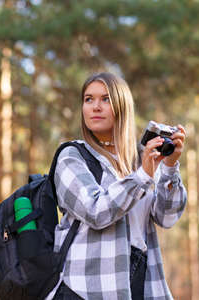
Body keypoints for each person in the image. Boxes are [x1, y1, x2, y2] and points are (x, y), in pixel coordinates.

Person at [47, 72, 187, 300]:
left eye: (106, 99)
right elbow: (96, 211)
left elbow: (167, 217)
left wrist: (170, 167)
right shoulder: (72, 156)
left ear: (122, 106)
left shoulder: (139, 160)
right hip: (85, 289)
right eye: (88, 99)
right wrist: (142, 176)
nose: (95, 107)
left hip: (139, 283)